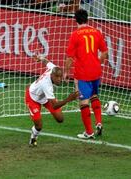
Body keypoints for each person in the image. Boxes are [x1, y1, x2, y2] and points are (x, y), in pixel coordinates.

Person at [64, 9, 108, 139]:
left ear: (75, 20)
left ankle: (89, 132)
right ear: (87, 18)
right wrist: (97, 62)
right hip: (96, 71)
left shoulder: (75, 35)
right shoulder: (96, 32)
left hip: (82, 73)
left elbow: (70, 58)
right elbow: (105, 52)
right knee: (94, 96)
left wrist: (66, 72)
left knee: (83, 102)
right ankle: (99, 122)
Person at [26, 56, 79, 146]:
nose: (59, 79)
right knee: (39, 126)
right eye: (57, 77)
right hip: (33, 98)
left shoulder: (54, 68)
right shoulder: (46, 85)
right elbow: (54, 105)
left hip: (44, 97)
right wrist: (68, 99)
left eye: (60, 77)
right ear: (52, 75)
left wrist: (41, 58)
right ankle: (33, 137)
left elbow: (47, 62)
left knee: (60, 119)